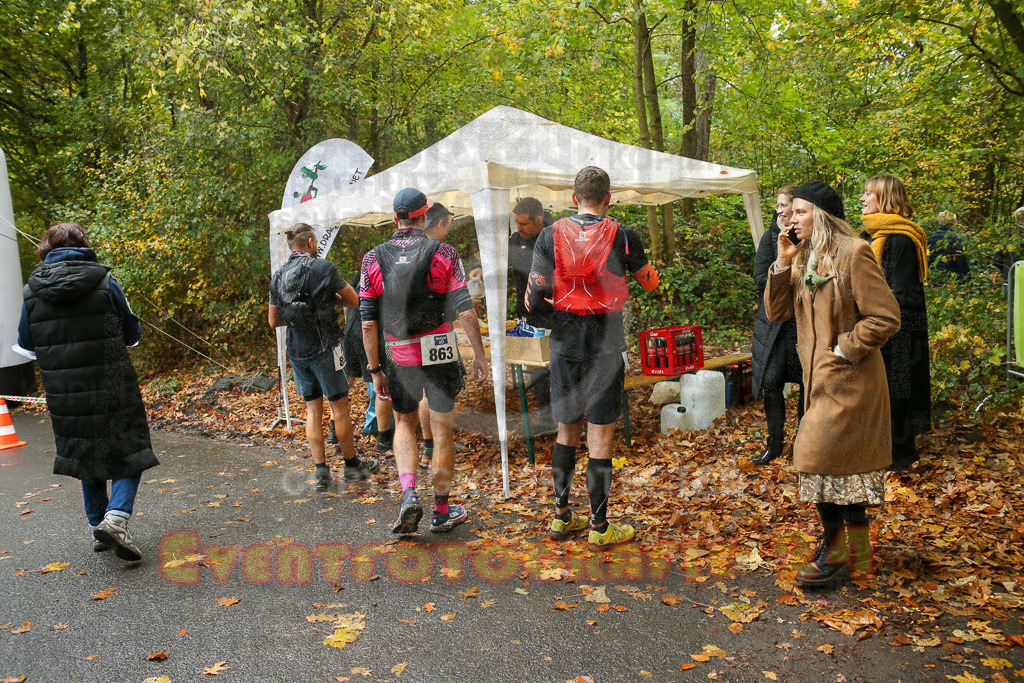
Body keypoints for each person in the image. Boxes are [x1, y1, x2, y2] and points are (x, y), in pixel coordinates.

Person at [766, 181, 900, 586]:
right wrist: (782, 261)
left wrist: (844, 349)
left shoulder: (853, 252)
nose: (792, 219)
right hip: (817, 382)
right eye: (791, 212)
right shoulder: (803, 255)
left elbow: (885, 316)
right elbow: (776, 313)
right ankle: (854, 550)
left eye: (801, 212)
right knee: (840, 470)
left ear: (822, 216)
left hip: (852, 379)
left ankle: (837, 552)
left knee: (819, 458)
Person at [526, 166, 660, 546]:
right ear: (608, 198)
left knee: (566, 431)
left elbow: (533, 297)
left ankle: (561, 517)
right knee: (600, 437)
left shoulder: (549, 235)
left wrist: (558, 316)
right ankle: (600, 528)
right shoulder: (624, 235)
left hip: (565, 344)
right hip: (606, 345)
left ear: (574, 198)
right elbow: (650, 283)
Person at [16, 222, 158, 562]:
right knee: (130, 447)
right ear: (83, 244)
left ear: (46, 248)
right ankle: (115, 519)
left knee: (84, 451)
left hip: (65, 391)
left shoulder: (31, 292)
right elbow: (131, 332)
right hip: (112, 381)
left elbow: (26, 345)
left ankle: (98, 524)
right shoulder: (105, 281)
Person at [360, 188, 489, 536]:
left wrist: (374, 370)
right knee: (442, 427)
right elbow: (465, 310)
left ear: (395, 218)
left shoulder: (372, 259)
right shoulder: (444, 253)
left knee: (404, 423)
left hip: (400, 351)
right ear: (424, 215)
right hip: (440, 347)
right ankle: (442, 511)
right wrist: (479, 355)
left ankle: (409, 495)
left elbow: (368, 322)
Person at [268, 223, 378, 490]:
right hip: (326, 346)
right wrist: (328, 303)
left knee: (312, 410)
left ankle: (321, 473)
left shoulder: (278, 276)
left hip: (297, 350)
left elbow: (273, 321)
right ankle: (352, 467)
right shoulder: (324, 268)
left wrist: (297, 317)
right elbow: (353, 299)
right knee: (339, 406)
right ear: (310, 242)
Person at [860, 176, 932, 472]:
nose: (863, 199)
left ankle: (901, 456)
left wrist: (880, 322)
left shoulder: (901, 239)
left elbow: (903, 292)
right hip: (876, 325)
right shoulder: (871, 238)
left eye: (868, 193)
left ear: (886, 198)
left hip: (900, 331)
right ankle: (881, 448)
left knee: (899, 391)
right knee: (880, 391)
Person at [750, 186, 805, 465]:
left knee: (807, 383)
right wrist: (781, 276)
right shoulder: (770, 237)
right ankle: (774, 445)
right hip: (774, 325)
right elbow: (759, 277)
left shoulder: (810, 237)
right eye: (778, 205)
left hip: (802, 323)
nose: (779, 210)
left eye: (784, 205)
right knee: (771, 382)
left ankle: (805, 443)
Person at [510, 197, 556, 436]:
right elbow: (498, 262)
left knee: (560, 368)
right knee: (536, 370)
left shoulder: (556, 236)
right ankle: (547, 420)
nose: (519, 228)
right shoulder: (515, 240)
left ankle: (569, 420)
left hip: (556, 314)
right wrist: (480, 269)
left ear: (539, 220)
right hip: (529, 317)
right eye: (517, 223)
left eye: (524, 224)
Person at [341, 273, 394, 454]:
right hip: (371, 330)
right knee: (379, 380)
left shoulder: (364, 269)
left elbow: (346, 299)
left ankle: (334, 429)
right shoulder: (389, 269)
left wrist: (348, 322)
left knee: (347, 379)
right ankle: (382, 436)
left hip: (352, 327)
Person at [926, 210, 970, 281]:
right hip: (953, 279)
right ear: (953, 222)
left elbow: (928, 259)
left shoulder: (932, 238)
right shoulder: (957, 238)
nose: (957, 222)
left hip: (935, 277)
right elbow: (961, 261)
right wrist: (968, 278)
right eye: (955, 220)